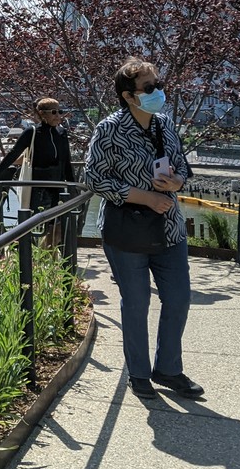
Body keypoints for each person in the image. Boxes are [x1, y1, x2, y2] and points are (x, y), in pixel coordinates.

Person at [82, 58, 200, 401]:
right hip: (127, 229)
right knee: (136, 302)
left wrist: (176, 179)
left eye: (158, 84)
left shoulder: (165, 124)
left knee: (178, 299)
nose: (157, 92)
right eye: (149, 88)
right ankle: (139, 372)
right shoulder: (110, 129)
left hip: (169, 228)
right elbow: (94, 177)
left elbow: (181, 165)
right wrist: (145, 197)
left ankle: (168, 368)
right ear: (129, 96)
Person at [10, 98, 76, 243]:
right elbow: (12, 156)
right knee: (37, 225)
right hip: (38, 188)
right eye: (54, 112)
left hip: (57, 186)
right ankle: (34, 257)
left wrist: (73, 188)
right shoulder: (32, 132)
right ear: (41, 114)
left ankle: (51, 258)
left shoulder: (61, 132)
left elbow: (66, 163)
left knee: (57, 227)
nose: (58, 115)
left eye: (60, 111)